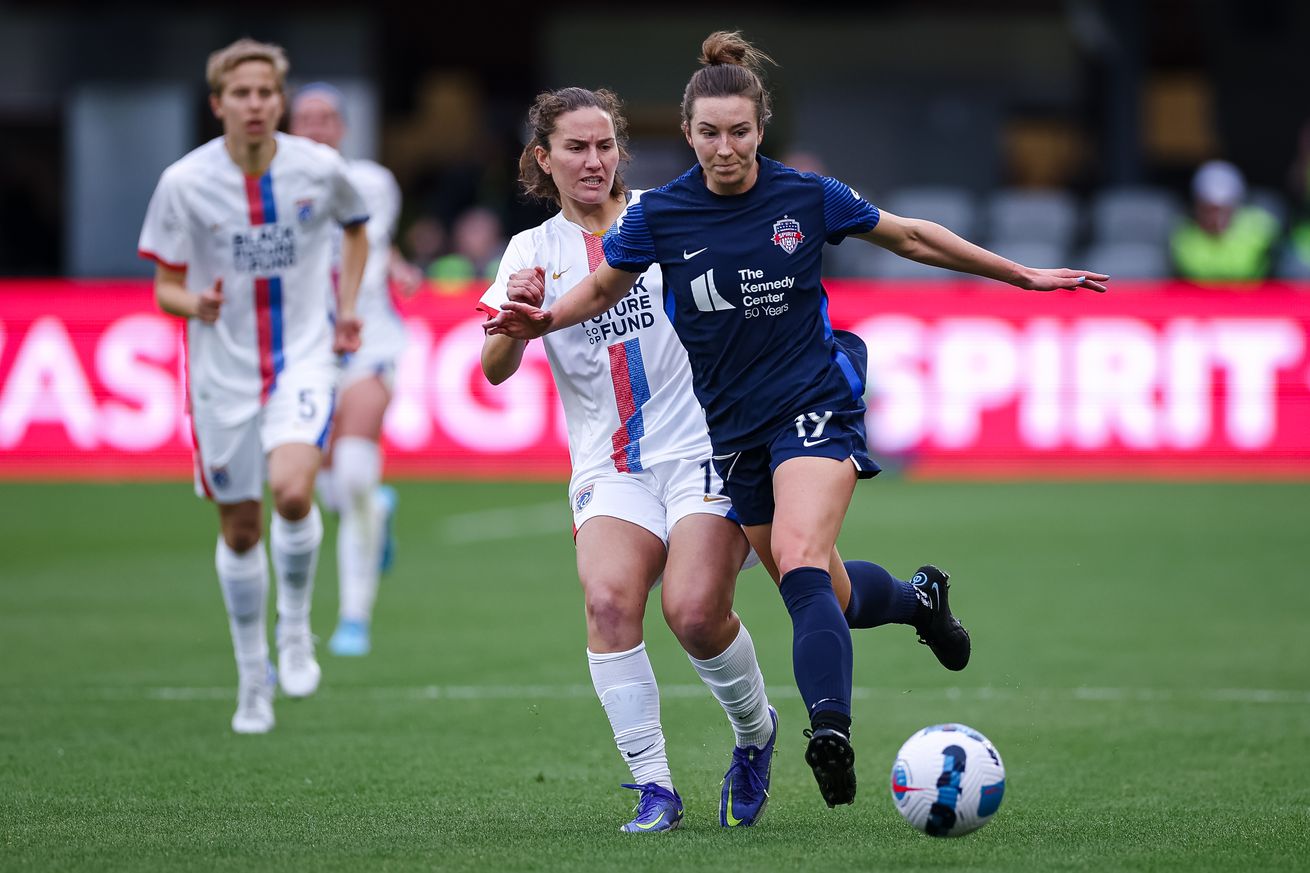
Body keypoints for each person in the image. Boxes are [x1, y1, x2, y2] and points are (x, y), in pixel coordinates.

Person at [485, 31, 1108, 808]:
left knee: (791, 563)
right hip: (732, 432)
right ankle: (917, 601)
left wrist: (1021, 273)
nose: (724, 147)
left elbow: (909, 233)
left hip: (809, 405)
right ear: (686, 135)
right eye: (709, 132)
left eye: (739, 130)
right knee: (828, 590)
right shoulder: (658, 219)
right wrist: (536, 322)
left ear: (761, 128)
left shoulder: (805, 196)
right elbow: (603, 290)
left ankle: (828, 731)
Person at [479, 87, 777, 832]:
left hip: (706, 448)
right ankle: (655, 787)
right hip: (611, 467)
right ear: (543, 159)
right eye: (576, 148)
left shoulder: (670, 212)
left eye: (605, 145)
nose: (594, 160)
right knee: (610, 601)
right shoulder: (530, 252)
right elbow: (493, 366)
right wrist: (515, 321)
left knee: (695, 613)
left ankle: (755, 733)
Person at [138, 39, 370, 733]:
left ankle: (295, 630)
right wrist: (196, 305)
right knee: (241, 529)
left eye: (267, 92)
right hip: (221, 372)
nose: (256, 104)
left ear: (280, 100)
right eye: (241, 94)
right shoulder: (184, 182)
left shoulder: (317, 167)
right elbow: (164, 286)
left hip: (301, 356)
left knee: (295, 490)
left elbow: (356, 230)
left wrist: (349, 306)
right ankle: (251, 682)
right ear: (218, 104)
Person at [289, 82, 422, 657]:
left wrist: (389, 261)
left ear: (341, 129)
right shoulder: (272, 191)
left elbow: (360, 244)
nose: (317, 128)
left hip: (367, 344)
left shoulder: (371, 181)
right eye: (306, 119)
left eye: (326, 119)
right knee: (311, 485)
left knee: (354, 471)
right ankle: (373, 508)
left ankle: (353, 618)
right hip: (302, 352)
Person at [1170, 159, 1279, 282]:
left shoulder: (1263, 231)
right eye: (1208, 209)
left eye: (1223, 209)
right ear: (1196, 206)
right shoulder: (1181, 237)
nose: (1215, 217)